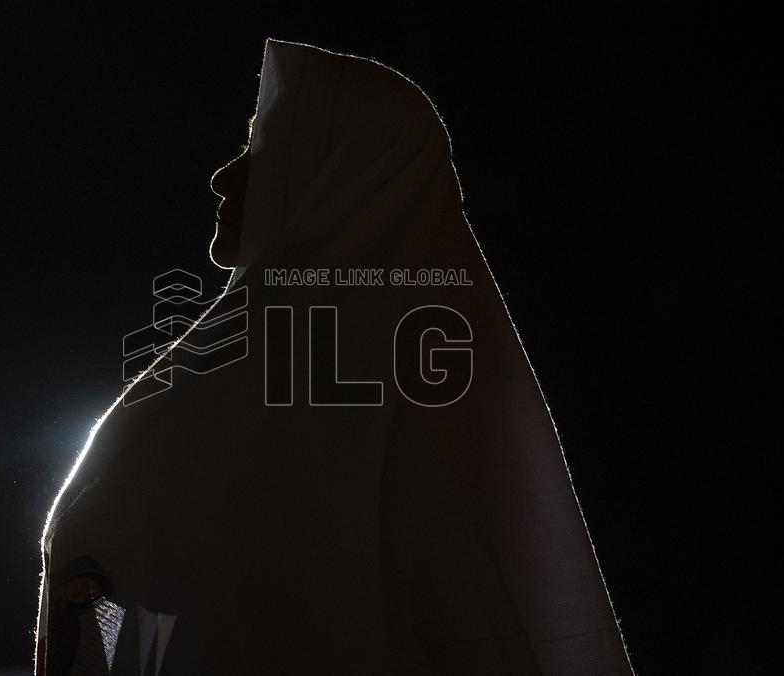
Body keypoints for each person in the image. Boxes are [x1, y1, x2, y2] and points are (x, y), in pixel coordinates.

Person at [34, 38, 636, 675]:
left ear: (344, 180)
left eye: (267, 146)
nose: (224, 175)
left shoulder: (311, 415)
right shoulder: (268, 383)